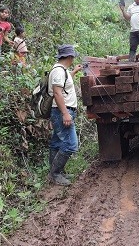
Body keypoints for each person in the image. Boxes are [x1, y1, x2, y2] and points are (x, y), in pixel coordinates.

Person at [48, 44, 83, 186]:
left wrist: (74, 72)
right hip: (61, 112)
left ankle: (57, 171)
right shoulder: (58, 71)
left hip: (63, 111)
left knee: (56, 142)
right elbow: (57, 93)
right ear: (70, 57)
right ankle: (55, 174)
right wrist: (65, 114)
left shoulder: (63, 70)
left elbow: (64, 86)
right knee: (70, 144)